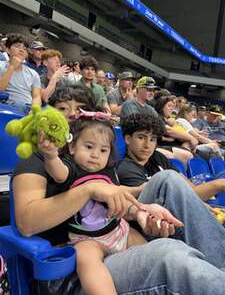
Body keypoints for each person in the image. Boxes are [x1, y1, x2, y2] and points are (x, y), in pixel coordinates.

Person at [13, 101, 225, 294]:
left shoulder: (103, 164)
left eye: (79, 109)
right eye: (63, 109)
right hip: (78, 260)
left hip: (116, 229)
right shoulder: (42, 160)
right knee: (170, 253)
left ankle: (220, 265)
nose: (72, 115)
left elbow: (112, 196)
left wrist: (140, 209)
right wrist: (89, 188)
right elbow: (27, 222)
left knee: (166, 179)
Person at [38, 112, 166, 295]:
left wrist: (138, 210)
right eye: (89, 147)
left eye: (103, 150)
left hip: (120, 230)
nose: (95, 155)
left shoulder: (110, 171)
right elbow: (58, 173)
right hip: (87, 239)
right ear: (72, 147)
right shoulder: (71, 168)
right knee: (86, 258)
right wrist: (51, 156)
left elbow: (120, 200)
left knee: (150, 253)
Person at [118, 113, 225, 202]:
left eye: (152, 139)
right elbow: (170, 202)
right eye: (141, 137)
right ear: (128, 139)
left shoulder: (157, 157)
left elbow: (190, 190)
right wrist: (219, 184)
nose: (147, 145)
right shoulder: (126, 169)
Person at [0, 33, 42, 113]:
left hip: (28, 107)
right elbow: (0, 89)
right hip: (8, 105)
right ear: (8, 50)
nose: (21, 50)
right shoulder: (1, 65)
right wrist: (11, 67)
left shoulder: (33, 73)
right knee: (20, 106)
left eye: (25, 48)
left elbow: (36, 96)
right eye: (17, 46)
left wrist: (35, 109)